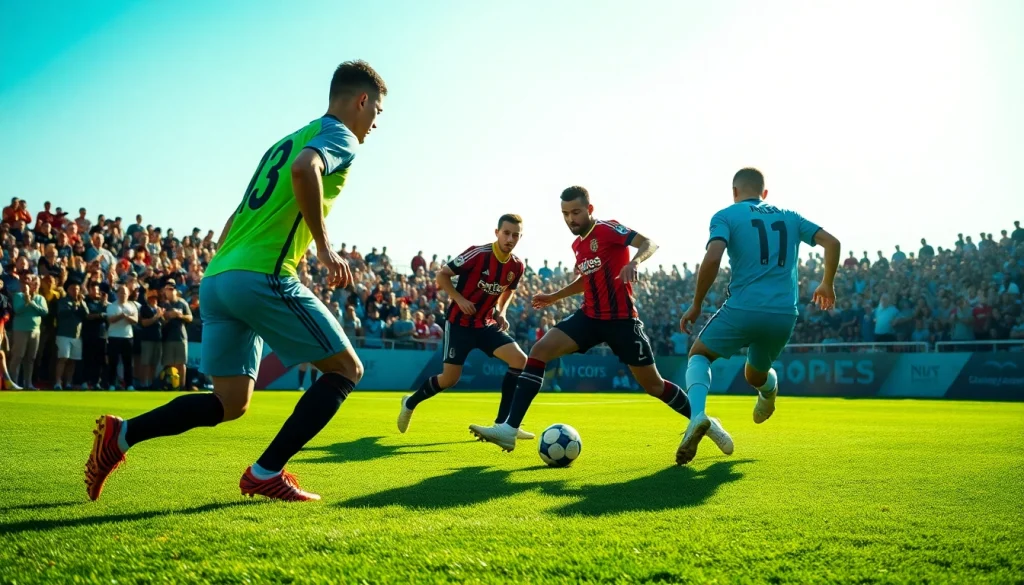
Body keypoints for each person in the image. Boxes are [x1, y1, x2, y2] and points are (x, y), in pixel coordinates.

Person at [85, 60, 387, 502]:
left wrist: (221, 268)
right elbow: (305, 169)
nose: (375, 123)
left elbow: (237, 213)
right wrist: (323, 247)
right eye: (377, 111)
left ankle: (123, 435)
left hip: (221, 277)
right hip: (260, 274)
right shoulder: (339, 136)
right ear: (362, 100)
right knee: (346, 369)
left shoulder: (283, 142)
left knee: (229, 402)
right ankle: (266, 472)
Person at [469, 186, 733, 457]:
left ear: (590, 209)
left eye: (575, 212)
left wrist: (635, 262)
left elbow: (648, 243)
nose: (570, 219)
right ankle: (509, 429)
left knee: (654, 385)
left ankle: (706, 423)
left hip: (622, 321)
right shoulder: (578, 245)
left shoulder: (607, 229)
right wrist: (554, 296)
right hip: (590, 317)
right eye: (565, 214)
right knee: (539, 351)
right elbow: (587, 280)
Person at [678, 168, 840, 464]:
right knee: (754, 375)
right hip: (783, 314)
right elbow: (833, 242)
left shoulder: (726, 215)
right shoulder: (790, 216)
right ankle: (769, 393)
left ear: (734, 192)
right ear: (765, 193)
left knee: (699, 355)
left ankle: (698, 416)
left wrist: (696, 303)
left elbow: (713, 258)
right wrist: (827, 282)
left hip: (742, 309)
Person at [397, 214, 533, 439]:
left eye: (515, 235)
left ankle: (504, 425)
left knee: (520, 359)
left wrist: (501, 311)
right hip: (459, 324)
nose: (510, 239)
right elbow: (442, 275)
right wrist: (459, 299)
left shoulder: (517, 265)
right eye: (506, 233)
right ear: (497, 232)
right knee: (450, 379)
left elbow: (509, 290)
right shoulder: (478, 254)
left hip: (485, 324)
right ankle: (410, 402)